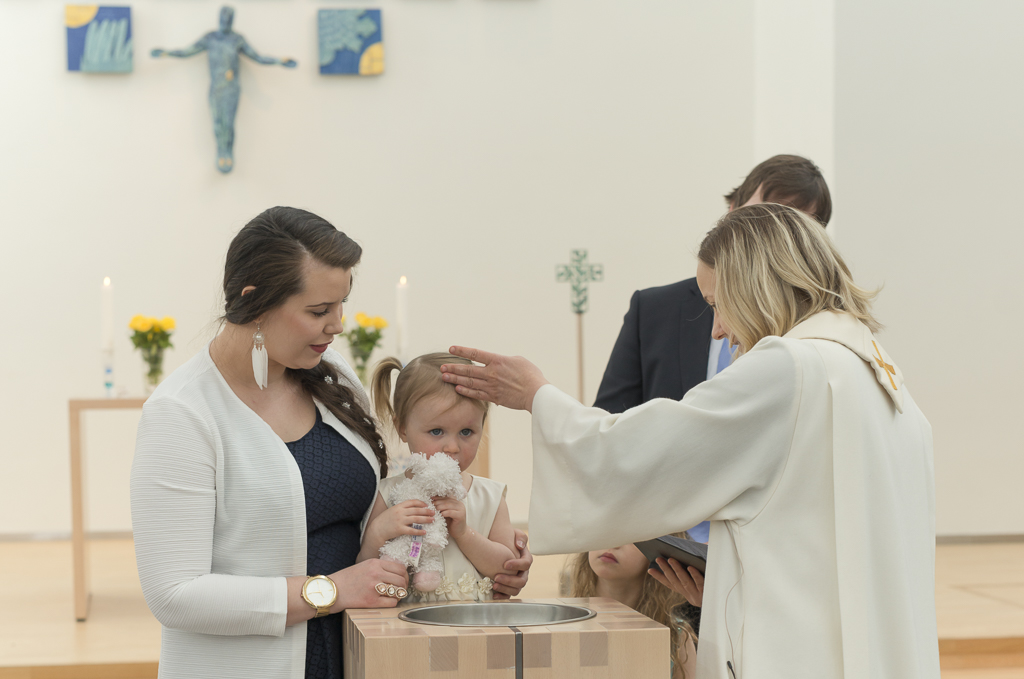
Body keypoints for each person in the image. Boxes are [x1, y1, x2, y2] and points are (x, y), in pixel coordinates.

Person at [440, 203, 939, 679]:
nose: (718, 331)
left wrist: (538, 397)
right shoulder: (880, 380)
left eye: (718, 304)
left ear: (757, 286)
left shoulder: (790, 368)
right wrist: (724, 591)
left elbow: (639, 452)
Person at [130, 207, 532, 679]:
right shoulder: (182, 414)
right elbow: (175, 595)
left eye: (341, 304)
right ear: (253, 302)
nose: (338, 324)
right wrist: (331, 591)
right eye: (319, 311)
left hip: (359, 654)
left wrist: (487, 557)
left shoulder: (332, 373)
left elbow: (383, 508)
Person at [594, 154, 832, 547]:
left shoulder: (816, 339)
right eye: (764, 216)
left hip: (764, 547)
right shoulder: (655, 310)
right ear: (732, 210)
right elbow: (613, 421)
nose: (719, 329)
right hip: (667, 540)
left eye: (795, 225)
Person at [359, 353, 518, 601]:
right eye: (436, 431)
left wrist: (464, 533)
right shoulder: (386, 494)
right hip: (404, 622)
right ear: (402, 428)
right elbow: (362, 571)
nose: (452, 447)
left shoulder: (491, 497)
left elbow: (508, 569)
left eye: (466, 431)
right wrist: (377, 533)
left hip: (477, 622)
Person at [151, 6, 297, 173]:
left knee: (228, 123)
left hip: (231, 87)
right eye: (223, 19)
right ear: (219, 18)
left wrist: (280, 61)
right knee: (217, 123)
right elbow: (186, 52)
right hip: (216, 87)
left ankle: (228, 153)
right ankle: (221, 152)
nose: (225, 22)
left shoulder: (237, 40)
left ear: (232, 21)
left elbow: (258, 57)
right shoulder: (210, 38)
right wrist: (166, 53)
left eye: (228, 20)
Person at [570, 537, 699, 679]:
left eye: (631, 536)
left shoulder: (676, 637)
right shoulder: (563, 625)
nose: (613, 543)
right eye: (606, 529)